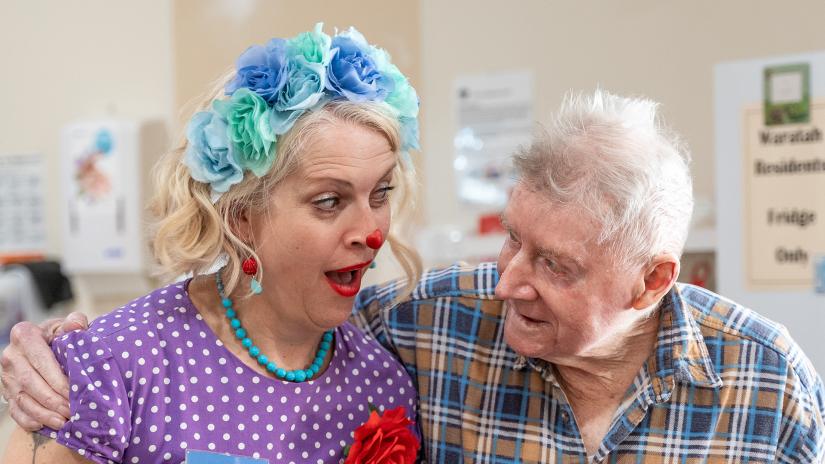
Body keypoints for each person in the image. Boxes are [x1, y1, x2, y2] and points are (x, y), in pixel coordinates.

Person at [5, 90, 825, 462]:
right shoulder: (432, 326)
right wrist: (47, 357)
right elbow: (271, 320)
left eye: (554, 266)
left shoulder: (763, 382)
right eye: (512, 241)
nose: (507, 282)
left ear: (650, 283)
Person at [1, 23, 423, 464]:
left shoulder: (381, 385)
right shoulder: (114, 366)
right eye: (329, 201)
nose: (370, 232)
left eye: (380, 194)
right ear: (241, 218)